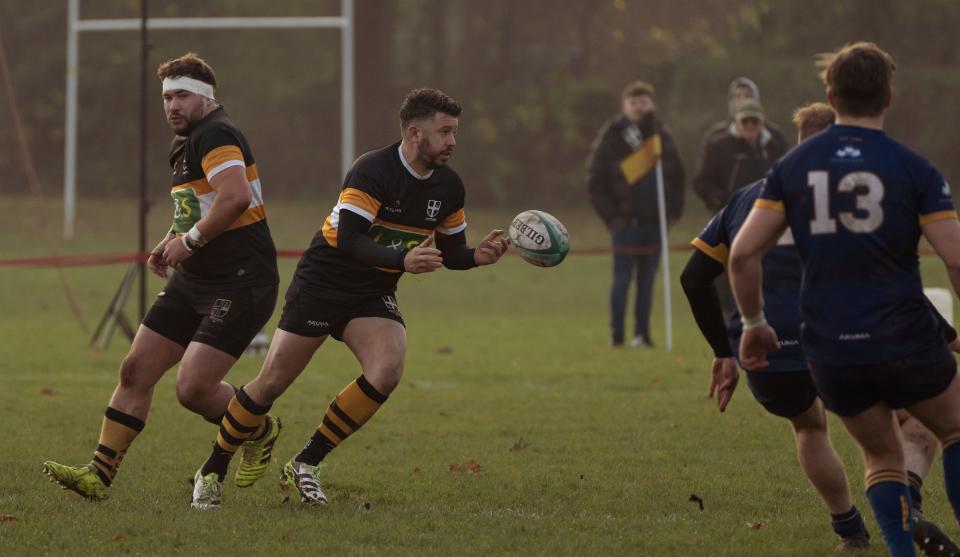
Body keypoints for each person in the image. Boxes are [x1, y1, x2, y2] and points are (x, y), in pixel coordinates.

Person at [188, 88, 508, 509]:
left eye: (455, 132)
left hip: (372, 292)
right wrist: (401, 258)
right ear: (415, 132)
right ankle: (212, 470)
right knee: (271, 384)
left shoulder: (449, 187)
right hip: (323, 283)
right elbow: (349, 239)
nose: (453, 141)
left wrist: (477, 258)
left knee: (387, 368)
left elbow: (451, 253)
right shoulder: (372, 170)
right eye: (445, 131)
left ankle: (307, 462)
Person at [729, 42, 960, 557]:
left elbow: (741, 255)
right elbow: (955, 256)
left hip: (830, 348)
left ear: (831, 96)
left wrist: (754, 321)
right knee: (953, 427)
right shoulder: (913, 168)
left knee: (879, 454)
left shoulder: (791, 168)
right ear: (888, 94)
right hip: (904, 335)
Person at [42, 53, 281, 501]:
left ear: (207, 98)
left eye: (183, 96)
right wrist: (170, 238)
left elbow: (234, 197)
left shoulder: (216, 134)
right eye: (167, 97)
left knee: (192, 389)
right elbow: (200, 205)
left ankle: (261, 428)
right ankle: (98, 475)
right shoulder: (187, 140)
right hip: (195, 280)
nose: (172, 105)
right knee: (135, 370)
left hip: (241, 280)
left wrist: (188, 243)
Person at [586, 80, 685, 348]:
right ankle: (617, 334)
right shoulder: (613, 135)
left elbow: (677, 176)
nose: (639, 108)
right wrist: (612, 219)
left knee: (647, 281)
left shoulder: (660, 134)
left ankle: (642, 334)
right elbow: (595, 181)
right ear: (624, 105)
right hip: (625, 224)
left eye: (643, 102)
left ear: (652, 104)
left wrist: (673, 213)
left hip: (655, 223)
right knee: (622, 280)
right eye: (633, 103)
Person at [693, 78, 789, 214]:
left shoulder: (774, 137)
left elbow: (785, 172)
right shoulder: (716, 137)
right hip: (729, 213)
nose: (742, 100)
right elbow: (703, 181)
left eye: (747, 96)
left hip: (768, 211)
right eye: (737, 96)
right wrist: (721, 201)